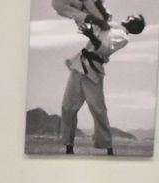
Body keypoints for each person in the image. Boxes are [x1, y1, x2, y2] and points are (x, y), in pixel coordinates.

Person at [54, 1, 146, 155]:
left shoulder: (123, 37)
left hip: (93, 71)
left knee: (98, 109)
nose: (129, 16)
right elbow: (97, 16)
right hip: (79, 65)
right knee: (68, 107)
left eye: (133, 19)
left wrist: (91, 35)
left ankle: (108, 147)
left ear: (135, 27)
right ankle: (68, 146)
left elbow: (103, 47)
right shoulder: (111, 23)